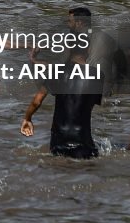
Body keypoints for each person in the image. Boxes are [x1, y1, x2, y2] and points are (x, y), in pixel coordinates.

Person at [20, 9, 103, 159]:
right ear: (88, 49)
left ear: (69, 48)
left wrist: (27, 118)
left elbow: (37, 101)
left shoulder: (56, 72)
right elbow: (88, 105)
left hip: (58, 142)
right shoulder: (97, 75)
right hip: (83, 142)